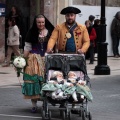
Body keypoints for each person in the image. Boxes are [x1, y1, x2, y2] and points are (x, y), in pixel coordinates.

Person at [22, 14, 54, 113]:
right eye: (39, 22)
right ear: (35, 23)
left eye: (42, 22)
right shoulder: (31, 32)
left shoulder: (50, 32)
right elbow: (27, 48)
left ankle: (45, 102)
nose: (41, 24)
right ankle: (34, 104)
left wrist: (52, 52)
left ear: (45, 22)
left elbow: (54, 45)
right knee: (34, 81)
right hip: (34, 59)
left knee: (46, 81)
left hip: (47, 59)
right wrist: (23, 60)